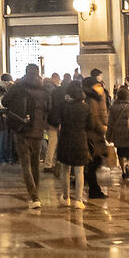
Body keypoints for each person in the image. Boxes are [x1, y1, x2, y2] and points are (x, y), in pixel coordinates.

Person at [2, 62, 51, 211]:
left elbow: (5, 101)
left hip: (22, 129)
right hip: (38, 131)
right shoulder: (44, 89)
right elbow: (49, 108)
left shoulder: (18, 86)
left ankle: (33, 196)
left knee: (25, 164)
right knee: (36, 163)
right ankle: (36, 194)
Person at [56, 75, 89, 205]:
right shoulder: (85, 107)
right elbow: (90, 125)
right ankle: (79, 200)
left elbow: (55, 119)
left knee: (65, 170)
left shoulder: (64, 106)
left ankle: (66, 197)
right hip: (80, 139)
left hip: (65, 139)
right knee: (79, 170)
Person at [82, 69, 111, 201]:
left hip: (95, 133)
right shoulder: (93, 98)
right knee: (95, 161)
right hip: (94, 133)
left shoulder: (96, 96)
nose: (101, 87)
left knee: (95, 160)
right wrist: (102, 127)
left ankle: (94, 188)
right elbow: (94, 116)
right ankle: (94, 189)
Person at [110, 81, 129, 184]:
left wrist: (109, 135)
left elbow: (110, 122)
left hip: (118, 133)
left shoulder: (113, 107)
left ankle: (123, 169)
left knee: (121, 153)